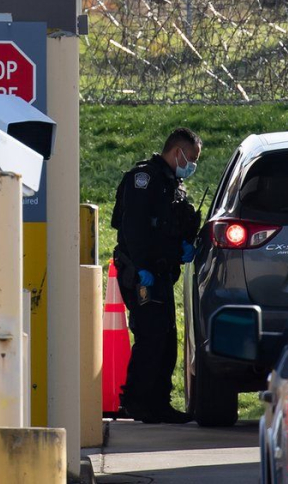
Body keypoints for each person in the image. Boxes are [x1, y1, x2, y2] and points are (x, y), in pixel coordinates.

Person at [111, 127, 203, 424]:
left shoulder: (171, 184)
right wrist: (140, 268)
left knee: (164, 340)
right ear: (177, 152)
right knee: (151, 339)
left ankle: (158, 403)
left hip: (161, 272)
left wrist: (184, 245)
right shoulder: (144, 180)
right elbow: (133, 228)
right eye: (190, 158)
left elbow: (170, 227)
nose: (191, 165)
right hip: (142, 274)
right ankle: (139, 402)